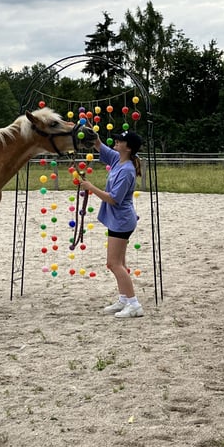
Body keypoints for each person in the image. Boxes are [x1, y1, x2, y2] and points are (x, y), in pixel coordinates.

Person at [79, 130, 144, 318]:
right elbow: (100, 145)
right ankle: (124, 299)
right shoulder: (119, 159)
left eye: (121, 140)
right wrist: (91, 131)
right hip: (119, 219)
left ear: (128, 148)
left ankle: (134, 304)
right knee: (120, 262)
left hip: (121, 221)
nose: (117, 141)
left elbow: (114, 199)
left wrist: (91, 188)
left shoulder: (127, 170)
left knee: (113, 264)